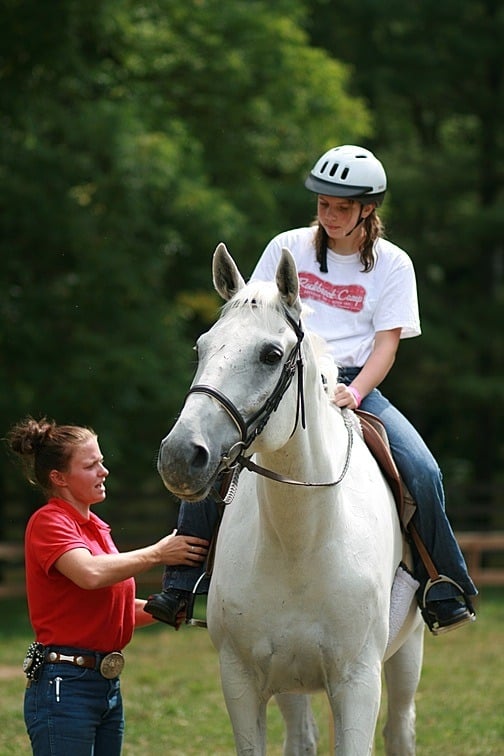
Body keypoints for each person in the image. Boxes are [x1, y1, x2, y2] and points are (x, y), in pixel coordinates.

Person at [144, 144, 477, 636]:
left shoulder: (393, 265)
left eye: (342, 207)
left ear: (368, 208)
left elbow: (386, 347)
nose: (330, 215)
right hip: (281, 381)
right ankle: (182, 582)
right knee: (216, 449)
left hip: (350, 383)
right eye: (324, 204)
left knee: (423, 471)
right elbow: (248, 319)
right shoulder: (289, 247)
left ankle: (442, 585)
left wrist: (357, 392)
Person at [6, 416, 209, 756]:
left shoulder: (96, 527)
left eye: (101, 462)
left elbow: (113, 608)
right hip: (64, 687)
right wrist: (159, 553)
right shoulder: (49, 521)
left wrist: (165, 608)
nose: (104, 472)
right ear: (59, 478)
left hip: (105, 685)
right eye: (91, 465)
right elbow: (90, 574)